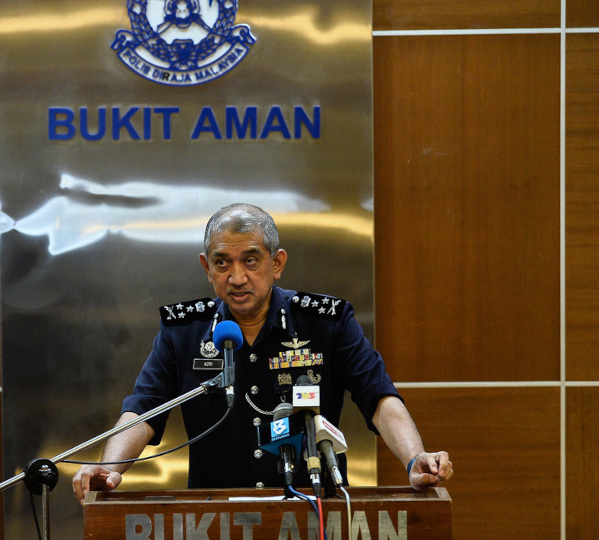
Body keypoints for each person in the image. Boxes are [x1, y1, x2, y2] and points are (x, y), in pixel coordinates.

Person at [72, 203, 452, 502]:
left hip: (313, 515)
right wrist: (110, 469)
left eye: (250, 260)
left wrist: (413, 459)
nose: (237, 277)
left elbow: (379, 398)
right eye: (222, 263)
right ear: (207, 268)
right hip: (213, 526)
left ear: (277, 263)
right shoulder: (183, 333)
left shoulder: (326, 323)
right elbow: (143, 411)